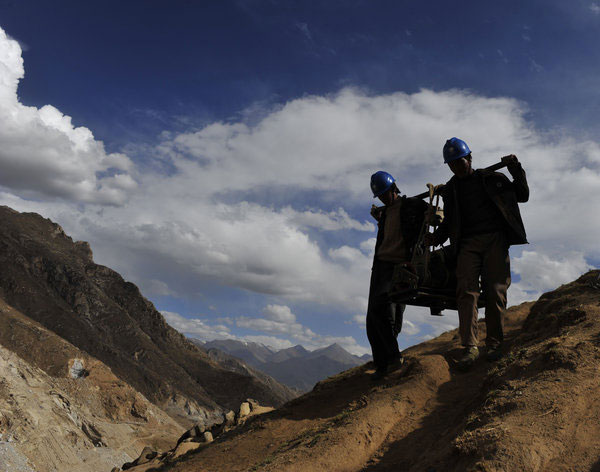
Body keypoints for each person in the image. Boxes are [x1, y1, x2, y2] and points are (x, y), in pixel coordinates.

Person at [428, 137, 529, 371]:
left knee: (495, 291)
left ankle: (494, 344)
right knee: (466, 292)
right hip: (466, 244)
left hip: (494, 239)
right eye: (451, 163)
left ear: (469, 158)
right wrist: (437, 237)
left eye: (459, 161)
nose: (456, 166)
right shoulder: (450, 190)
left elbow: (522, 195)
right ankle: (470, 347)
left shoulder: (492, 179)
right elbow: (450, 221)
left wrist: (515, 168)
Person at [367, 171, 428, 379]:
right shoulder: (384, 214)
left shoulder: (412, 205)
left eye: (386, 193)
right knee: (374, 314)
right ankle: (383, 362)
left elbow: (433, 215)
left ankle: (392, 359)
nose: (384, 197)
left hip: (401, 265)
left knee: (388, 311)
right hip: (381, 265)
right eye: (381, 195)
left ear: (394, 188)